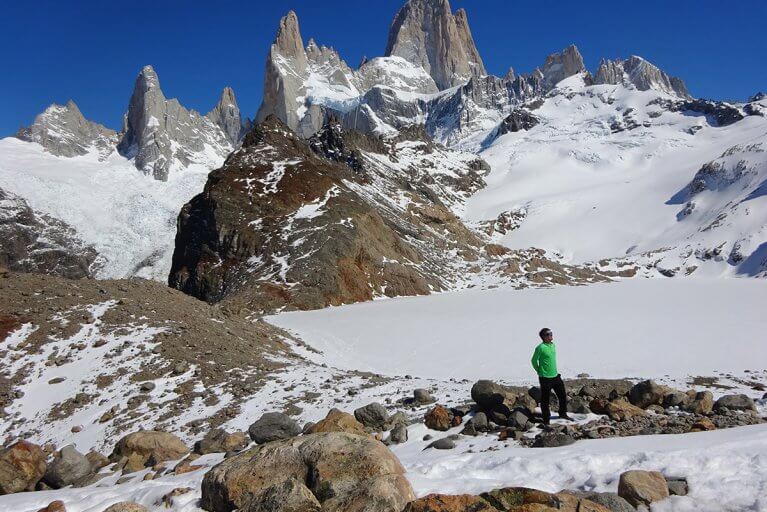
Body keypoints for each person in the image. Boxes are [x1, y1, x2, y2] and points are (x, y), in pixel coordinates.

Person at [531, 327, 572, 425]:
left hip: (555, 376)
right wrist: (539, 370)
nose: (551, 337)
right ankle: (546, 420)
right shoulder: (540, 348)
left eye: (551, 334)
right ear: (543, 337)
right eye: (548, 335)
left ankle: (562, 413)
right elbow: (533, 361)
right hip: (545, 378)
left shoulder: (552, 345)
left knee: (562, 395)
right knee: (545, 400)